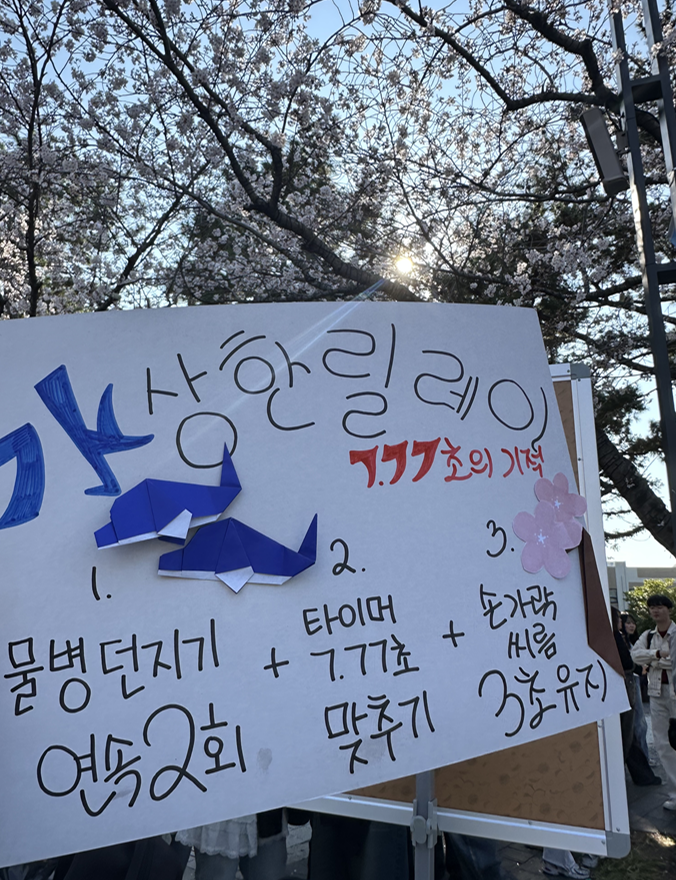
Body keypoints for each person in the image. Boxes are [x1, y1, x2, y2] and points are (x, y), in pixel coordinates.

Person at [631, 594, 676, 809]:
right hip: (656, 693)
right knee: (663, 744)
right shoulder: (648, 636)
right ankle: (675, 794)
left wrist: (654, 660)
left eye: (659, 607)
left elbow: (672, 661)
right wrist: (659, 654)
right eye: (652, 607)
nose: (655, 611)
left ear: (669, 609)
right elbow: (635, 656)